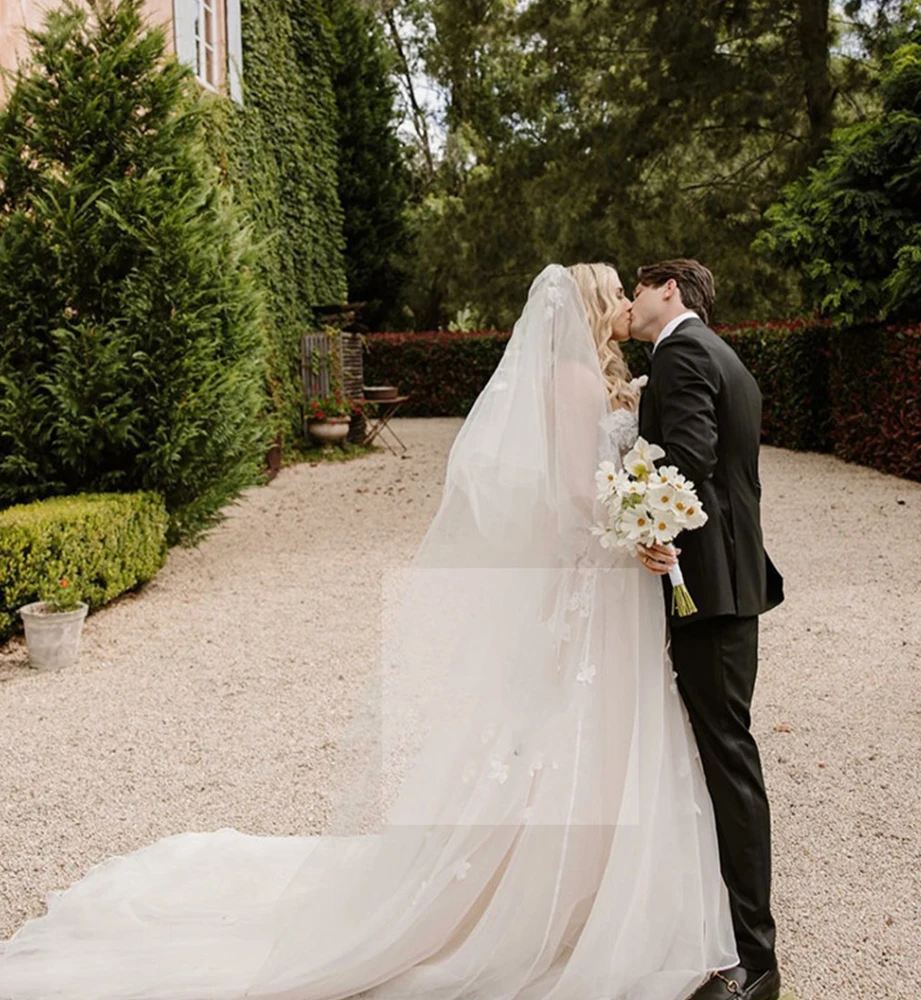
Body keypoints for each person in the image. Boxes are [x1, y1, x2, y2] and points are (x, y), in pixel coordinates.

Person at [0, 263, 739, 1000]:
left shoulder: (601, 376)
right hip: (599, 585)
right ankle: (559, 901)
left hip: (607, 587)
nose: (626, 298)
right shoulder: (575, 378)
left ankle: (583, 892)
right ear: (595, 304)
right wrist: (634, 525)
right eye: (616, 288)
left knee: (591, 735)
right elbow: (579, 496)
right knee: (585, 732)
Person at [629, 259, 785, 1000]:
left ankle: (756, 963)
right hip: (731, 583)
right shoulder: (724, 355)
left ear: (669, 291)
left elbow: (685, 464)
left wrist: (642, 526)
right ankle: (728, 930)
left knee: (729, 760)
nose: (629, 303)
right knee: (726, 755)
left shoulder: (684, 353)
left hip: (710, 594)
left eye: (638, 289)